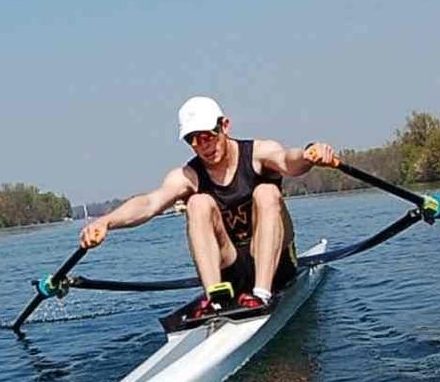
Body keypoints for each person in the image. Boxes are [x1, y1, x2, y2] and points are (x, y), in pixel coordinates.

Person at [80, 96, 336, 318]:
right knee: (198, 202)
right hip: (230, 270)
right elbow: (149, 203)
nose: (203, 145)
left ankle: (261, 294)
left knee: (266, 192)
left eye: (207, 136)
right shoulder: (189, 175)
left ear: (224, 126)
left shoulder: (259, 153)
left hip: (276, 264)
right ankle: (216, 298)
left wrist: (308, 155)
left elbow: (288, 161)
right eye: (193, 139)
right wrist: (106, 222)